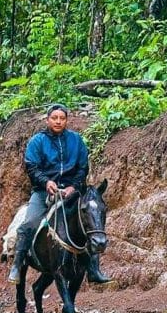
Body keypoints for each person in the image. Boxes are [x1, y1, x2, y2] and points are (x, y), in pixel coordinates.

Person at [7, 104, 111, 285]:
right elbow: (32, 167)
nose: (58, 121)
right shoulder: (37, 141)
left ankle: (94, 269)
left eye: (62, 118)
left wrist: (74, 186)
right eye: (54, 118)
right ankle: (17, 263)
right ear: (47, 120)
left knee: (90, 217)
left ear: (66, 120)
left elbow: (82, 167)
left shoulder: (76, 140)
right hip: (43, 191)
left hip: (73, 191)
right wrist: (46, 182)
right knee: (30, 222)